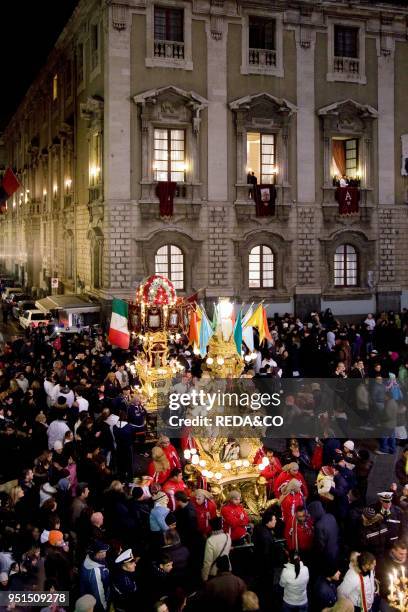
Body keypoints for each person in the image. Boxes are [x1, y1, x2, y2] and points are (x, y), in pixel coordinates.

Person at [79, 540, 110, 612]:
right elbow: (98, 595)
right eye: (101, 552)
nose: (104, 554)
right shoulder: (95, 571)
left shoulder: (89, 558)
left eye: (105, 551)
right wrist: (104, 608)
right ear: (93, 554)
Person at [308, 501, 340, 569]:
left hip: (326, 556)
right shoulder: (331, 516)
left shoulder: (319, 526)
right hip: (335, 550)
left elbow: (320, 546)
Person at [202, 516, 232, 582]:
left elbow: (208, 561)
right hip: (227, 568)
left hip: (215, 571)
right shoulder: (227, 536)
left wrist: (205, 577)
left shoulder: (210, 540)